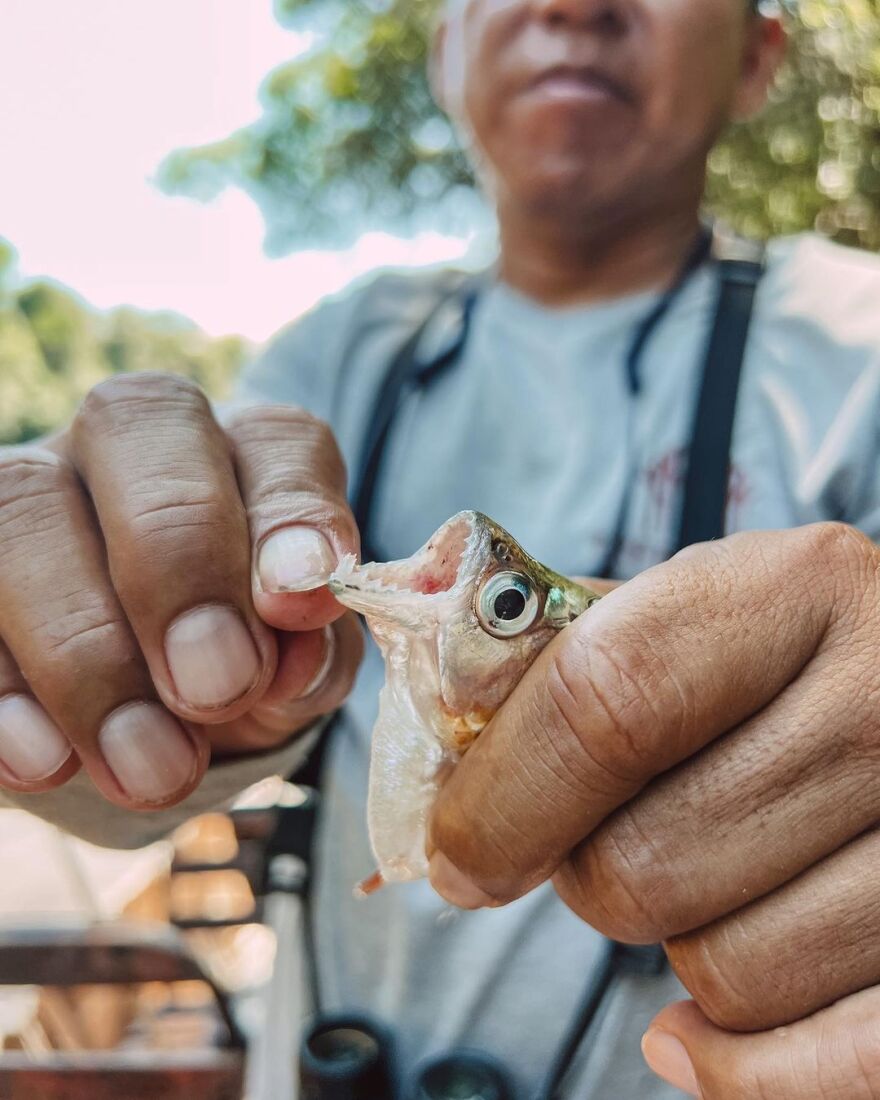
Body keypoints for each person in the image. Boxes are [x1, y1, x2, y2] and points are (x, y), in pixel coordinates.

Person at [1, 0, 880, 1095]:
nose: (572, 3)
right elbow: (116, 750)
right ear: (447, 53)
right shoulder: (341, 349)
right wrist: (85, 637)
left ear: (757, 59)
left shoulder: (856, 353)